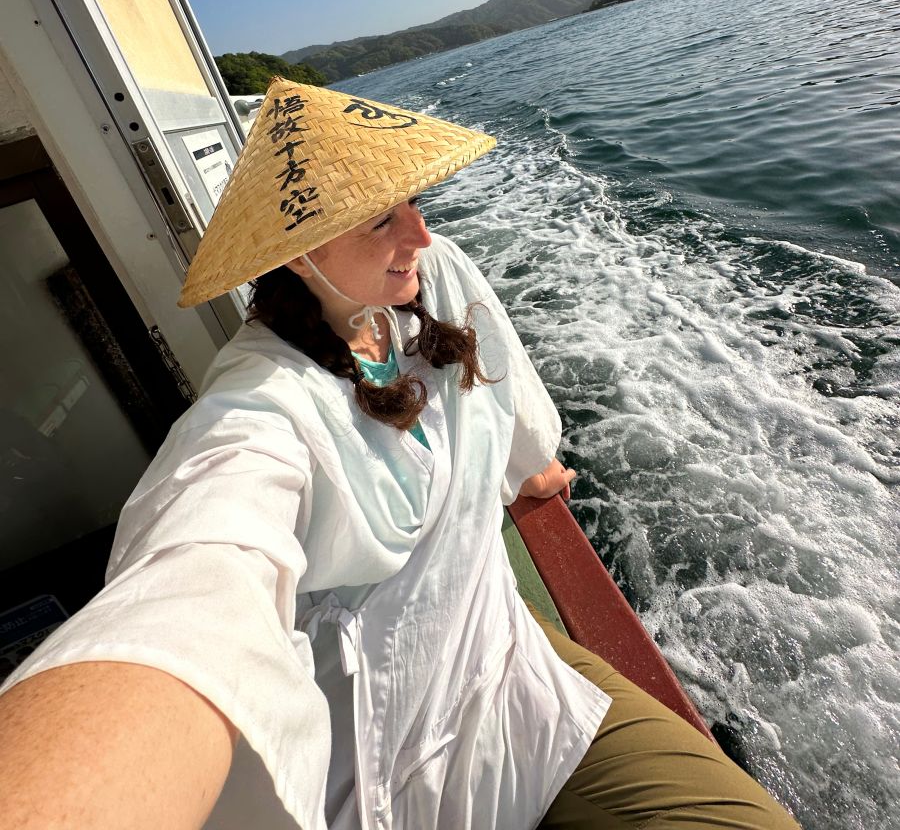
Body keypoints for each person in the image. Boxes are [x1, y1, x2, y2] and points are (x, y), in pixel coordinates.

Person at [0, 80, 800, 830]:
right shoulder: (260, 406)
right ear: (296, 250)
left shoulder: (432, 275)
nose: (418, 233)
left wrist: (531, 471)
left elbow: (507, 403)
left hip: (504, 656)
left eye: (412, 202)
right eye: (380, 218)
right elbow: (192, 581)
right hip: (380, 753)